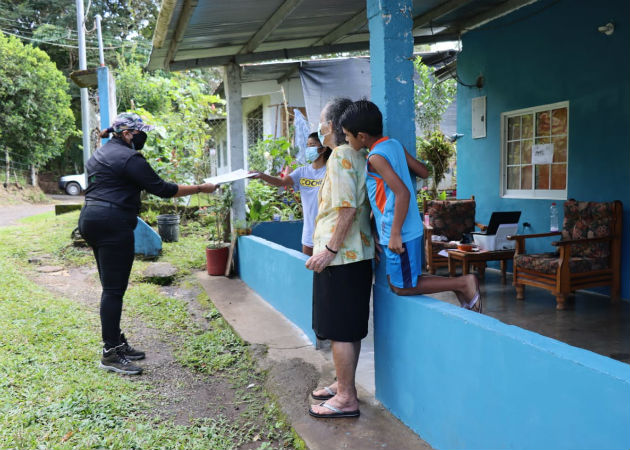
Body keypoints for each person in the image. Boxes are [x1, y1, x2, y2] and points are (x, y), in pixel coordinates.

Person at [78, 113, 217, 376]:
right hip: (112, 223)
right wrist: (201, 188)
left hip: (90, 219)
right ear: (128, 133)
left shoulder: (100, 154)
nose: (144, 137)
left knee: (110, 288)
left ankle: (116, 342)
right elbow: (163, 189)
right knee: (113, 291)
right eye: (141, 132)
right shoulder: (130, 158)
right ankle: (110, 353)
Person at [340, 99, 481, 311]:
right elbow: (424, 171)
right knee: (401, 279)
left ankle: (463, 283)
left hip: (399, 231)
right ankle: (461, 285)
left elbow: (402, 193)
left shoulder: (376, 157)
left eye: (347, 135)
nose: (346, 140)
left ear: (361, 136)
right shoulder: (393, 144)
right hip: (409, 227)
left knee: (402, 287)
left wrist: (395, 233)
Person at [305, 98, 374, 419]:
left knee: (339, 329)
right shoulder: (357, 154)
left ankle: (346, 397)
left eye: (321, 121)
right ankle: (343, 383)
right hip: (355, 255)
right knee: (348, 328)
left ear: (332, 126)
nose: (319, 128)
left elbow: (346, 208)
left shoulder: (342, 157)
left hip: (342, 258)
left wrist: (329, 251)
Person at [252, 132, 331, 255]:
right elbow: (281, 182)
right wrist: (262, 176)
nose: (309, 149)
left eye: (312, 145)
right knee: (308, 270)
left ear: (323, 148)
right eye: (307, 145)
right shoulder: (302, 172)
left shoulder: (330, 171)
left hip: (327, 231)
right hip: (309, 231)